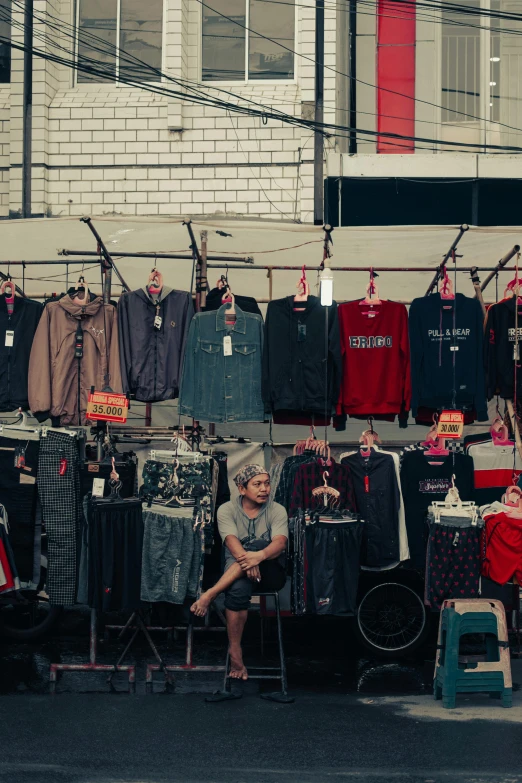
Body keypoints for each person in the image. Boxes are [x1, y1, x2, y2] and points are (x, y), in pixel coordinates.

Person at [191, 464, 288, 680]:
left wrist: (258, 555)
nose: (264, 489)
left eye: (267, 483)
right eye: (257, 484)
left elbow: (279, 543)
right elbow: (232, 543)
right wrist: (250, 559)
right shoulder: (226, 509)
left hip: (271, 574)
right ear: (242, 489)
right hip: (238, 573)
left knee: (260, 543)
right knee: (237, 590)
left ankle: (211, 593)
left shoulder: (277, 509)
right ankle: (235, 650)